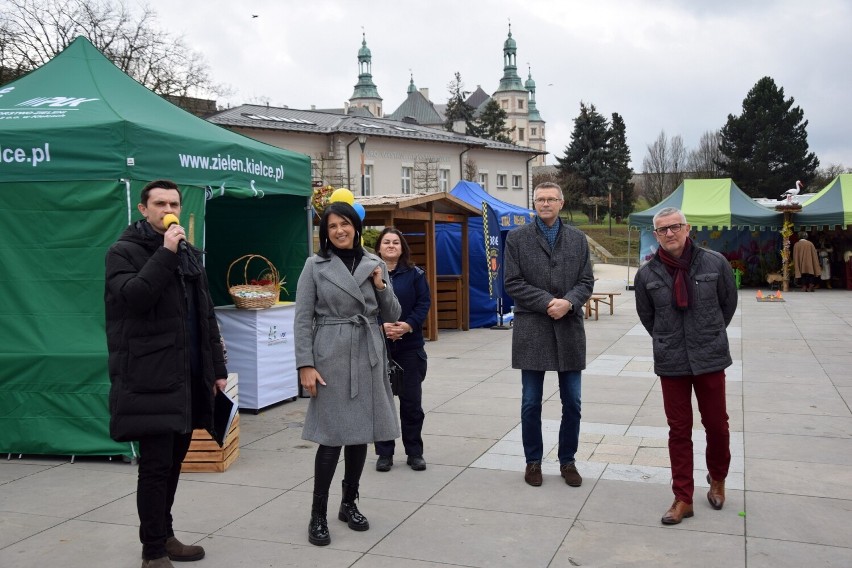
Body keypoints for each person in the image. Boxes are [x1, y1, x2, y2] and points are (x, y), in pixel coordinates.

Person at [105, 180, 228, 568]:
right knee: (156, 467)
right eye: (159, 203)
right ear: (143, 209)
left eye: (173, 202)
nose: (167, 209)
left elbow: (205, 315)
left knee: (175, 463)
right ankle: (152, 551)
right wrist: (166, 252)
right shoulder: (123, 252)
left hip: (188, 377)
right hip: (150, 377)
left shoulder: (188, 254)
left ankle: (166, 534)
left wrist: (218, 369)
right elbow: (136, 298)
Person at [294, 202, 401, 547]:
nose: (339, 230)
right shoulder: (315, 265)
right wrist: (305, 364)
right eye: (332, 226)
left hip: (368, 354)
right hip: (331, 356)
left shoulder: (375, 263)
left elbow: (393, 312)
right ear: (324, 232)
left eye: (345, 224)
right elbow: (301, 319)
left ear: (356, 226)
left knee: (360, 435)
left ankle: (349, 503)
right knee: (331, 437)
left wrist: (381, 285)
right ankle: (317, 513)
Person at [634, 207, 737, 525]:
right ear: (656, 235)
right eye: (662, 229)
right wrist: (670, 339)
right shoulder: (647, 274)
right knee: (679, 430)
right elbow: (648, 317)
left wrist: (707, 333)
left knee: (717, 425)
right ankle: (683, 497)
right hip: (672, 361)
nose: (669, 233)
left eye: (675, 227)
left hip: (709, 356)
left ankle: (717, 479)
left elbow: (727, 304)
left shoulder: (715, 263)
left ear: (687, 228)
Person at [504, 182, 594, 488]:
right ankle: (533, 462)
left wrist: (568, 302)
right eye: (540, 199)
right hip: (533, 328)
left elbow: (586, 280)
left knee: (573, 402)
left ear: (561, 202)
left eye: (551, 199)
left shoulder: (578, 239)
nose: (545, 203)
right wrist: (547, 303)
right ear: (533, 203)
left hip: (569, 328)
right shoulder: (517, 239)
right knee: (531, 402)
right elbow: (512, 282)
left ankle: (567, 460)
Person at [373, 227, 431, 472]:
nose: (391, 246)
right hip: (379, 346)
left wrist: (407, 326)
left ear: (402, 247)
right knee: (382, 403)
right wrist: (380, 326)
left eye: (396, 242)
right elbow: (363, 306)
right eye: (386, 242)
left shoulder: (416, 274)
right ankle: (384, 453)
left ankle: (414, 452)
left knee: (411, 403)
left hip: (409, 346)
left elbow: (423, 303)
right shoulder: (369, 274)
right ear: (378, 248)